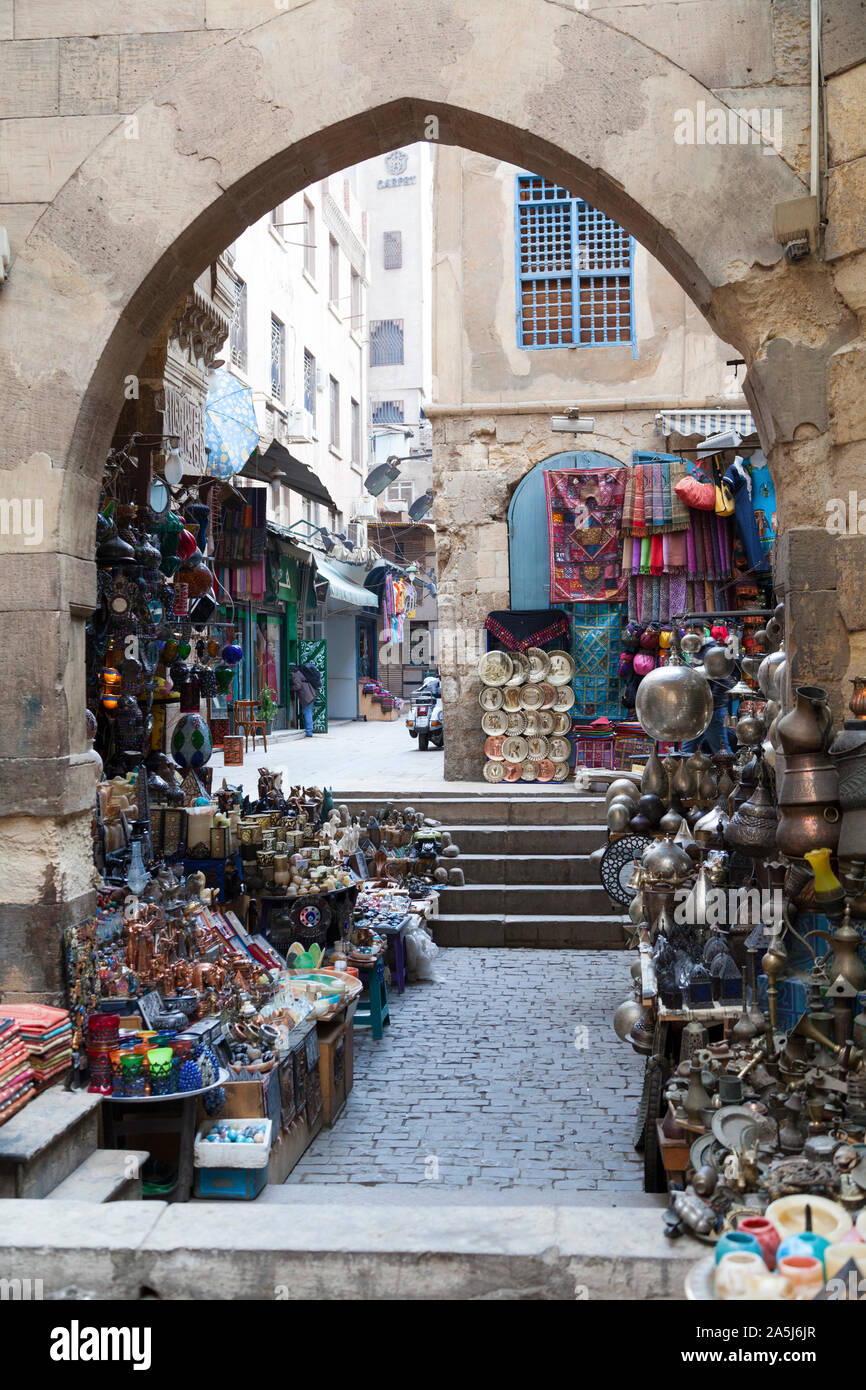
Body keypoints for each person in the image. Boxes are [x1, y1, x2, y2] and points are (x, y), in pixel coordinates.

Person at [289, 664, 316, 737]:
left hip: (307, 696)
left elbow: (298, 686)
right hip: (311, 694)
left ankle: (309, 732)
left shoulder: (295, 674)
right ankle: (309, 730)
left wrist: (290, 688)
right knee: (308, 712)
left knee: (307, 712)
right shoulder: (300, 672)